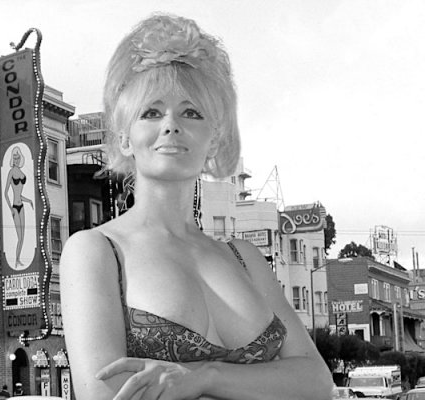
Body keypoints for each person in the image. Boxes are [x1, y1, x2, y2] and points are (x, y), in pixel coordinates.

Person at [60, 13, 333, 400]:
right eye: (151, 112)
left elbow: (317, 382)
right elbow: (105, 393)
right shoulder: (95, 251)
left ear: (215, 139)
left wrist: (204, 377)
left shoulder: (245, 258)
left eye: (191, 112)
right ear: (124, 138)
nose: (171, 125)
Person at [4, 145, 33, 268]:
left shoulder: (22, 172)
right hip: (15, 207)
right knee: (19, 237)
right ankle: (16, 259)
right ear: (12, 159)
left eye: (18, 158)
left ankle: (18, 259)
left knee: (23, 236)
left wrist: (29, 200)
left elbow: (19, 195)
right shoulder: (11, 172)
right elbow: (5, 193)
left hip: (21, 206)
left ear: (20, 158)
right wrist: (10, 209)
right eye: (14, 158)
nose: (16, 160)